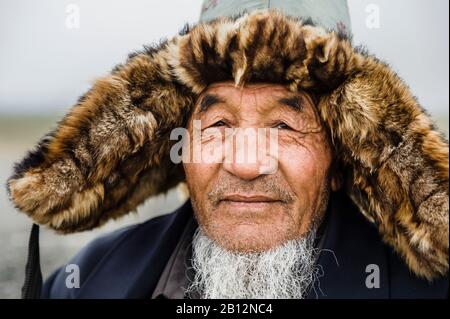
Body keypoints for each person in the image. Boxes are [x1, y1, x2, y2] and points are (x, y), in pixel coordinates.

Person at [7, 0, 448, 299]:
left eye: (284, 125)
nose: (245, 163)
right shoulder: (88, 282)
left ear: (339, 157)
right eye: (219, 123)